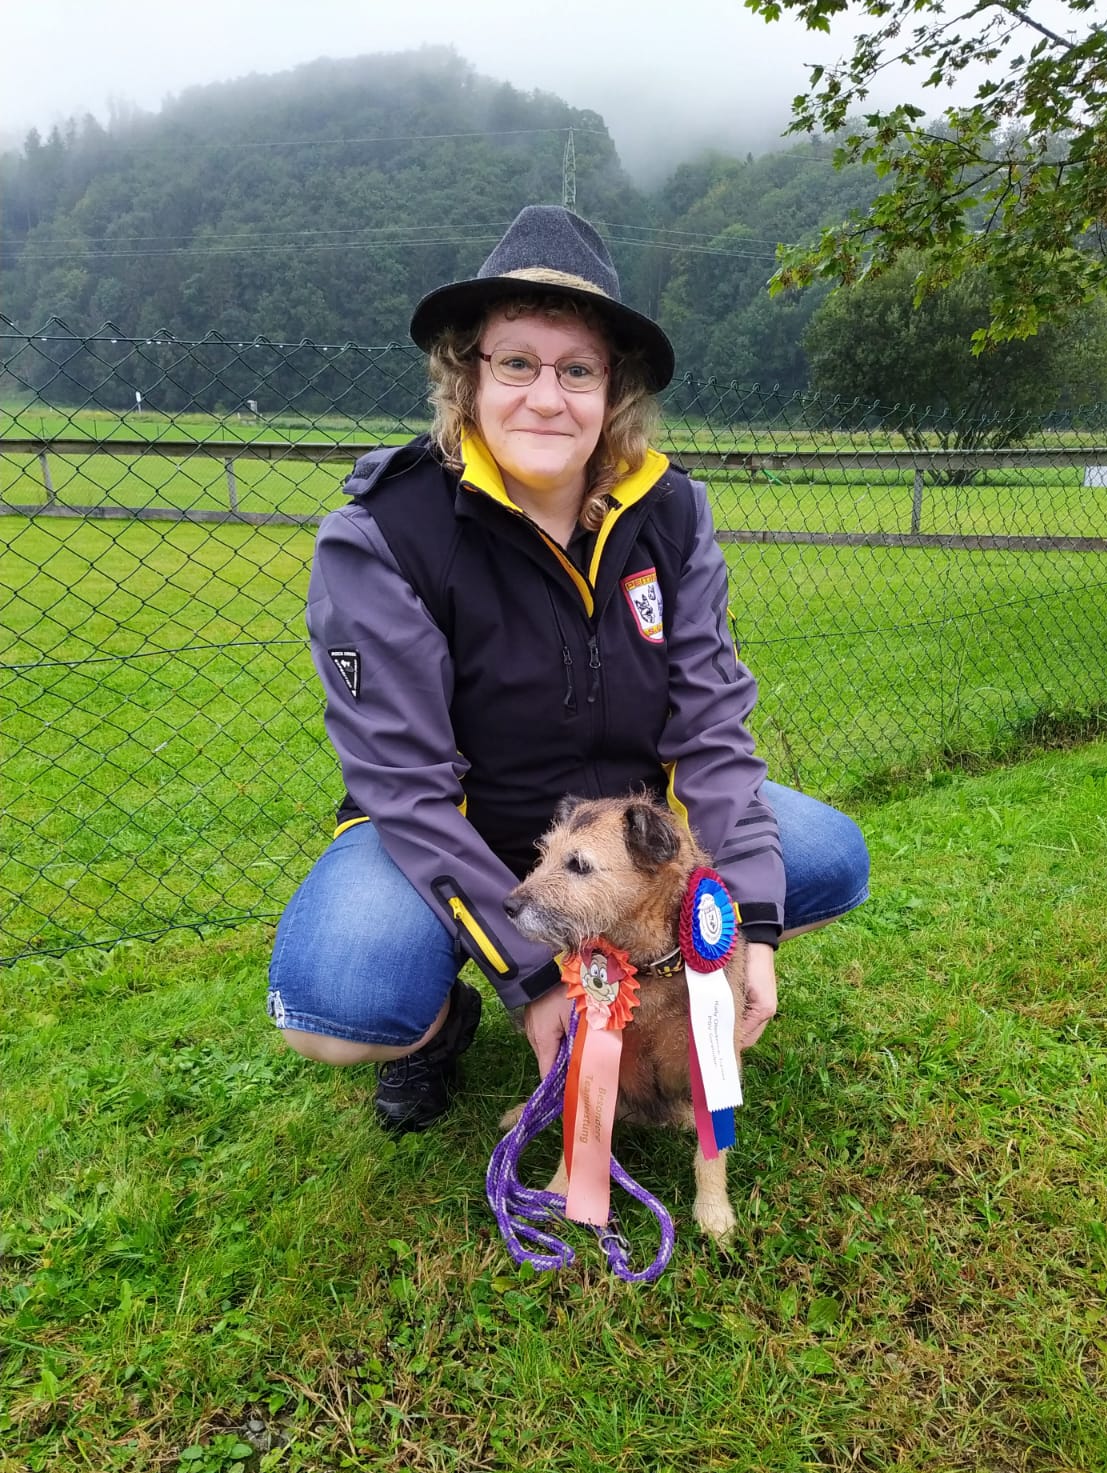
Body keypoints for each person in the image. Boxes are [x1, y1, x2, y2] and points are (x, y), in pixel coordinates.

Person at [267, 205, 869, 1132]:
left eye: (578, 369)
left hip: (618, 837)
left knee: (821, 860)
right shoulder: (383, 535)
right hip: (451, 825)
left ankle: (648, 986)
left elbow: (711, 731)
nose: (547, 398)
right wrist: (531, 976)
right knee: (343, 999)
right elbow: (409, 788)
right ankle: (441, 1025)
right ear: (467, 375)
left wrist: (747, 925)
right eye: (517, 362)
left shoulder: (673, 515)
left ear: (612, 391)